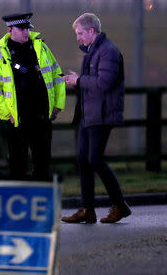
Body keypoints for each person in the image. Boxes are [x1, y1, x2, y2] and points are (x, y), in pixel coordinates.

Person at [61, 13, 131, 224]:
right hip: (88, 115)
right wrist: (76, 80)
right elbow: (93, 82)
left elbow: (104, 84)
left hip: (101, 115)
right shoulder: (93, 52)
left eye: (80, 33)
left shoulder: (108, 52)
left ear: (91, 31)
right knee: (84, 160)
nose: (78, 38)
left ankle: (120, 206)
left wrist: (79, 80)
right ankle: (87, 210)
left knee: (94, 160)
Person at [0, 12, 65, 181]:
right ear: (9, 30)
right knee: (17, 166)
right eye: (20, 28)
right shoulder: (0, 54)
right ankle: (18, 204)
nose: (25, 32)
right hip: (17, 120)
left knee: (42, 164)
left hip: (42, 117)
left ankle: (40, 203)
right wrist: (7, 114)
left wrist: (58, 104)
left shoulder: (41, 48)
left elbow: (57, 75)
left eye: (27, 28)